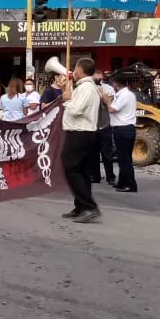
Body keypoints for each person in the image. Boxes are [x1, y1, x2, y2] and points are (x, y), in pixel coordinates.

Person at [60, 58, 102, 223]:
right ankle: (81, 207)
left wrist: (67, 99)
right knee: (82, 171)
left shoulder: (85, 88)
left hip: (79, 133)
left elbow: (76, 110)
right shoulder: (87, 87)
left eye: (75, 68)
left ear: (80, 70)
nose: (73, 71)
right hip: (84, 133)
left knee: (71, 168)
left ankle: (89, 206)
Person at [105, 75, 138, 193]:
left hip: (123, 129)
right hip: (123, 129)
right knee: (123, 158)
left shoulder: (125, 95)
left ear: (116, 84)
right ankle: (122, 182)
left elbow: (111, 109)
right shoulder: (125, 94)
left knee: (125, 159)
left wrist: (107, 101)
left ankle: (130, 184)